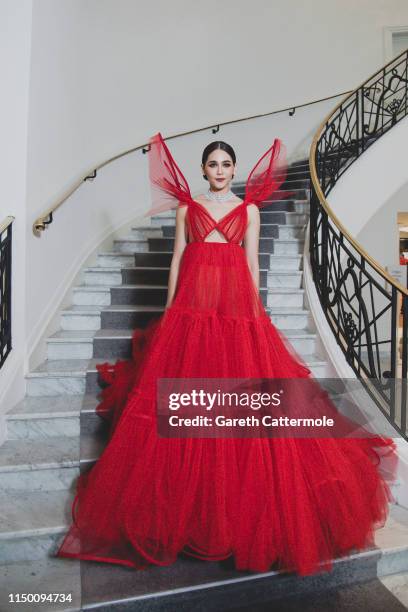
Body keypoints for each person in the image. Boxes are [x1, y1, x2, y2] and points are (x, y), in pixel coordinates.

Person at [56, 132, 397, 577]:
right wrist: (170, 307)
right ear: (203, 170)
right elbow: (179, 257)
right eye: (212, 164)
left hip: (235, 307)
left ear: (234, 170)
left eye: (225, 164)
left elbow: (252, 263)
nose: (219, 170)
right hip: (192, 307)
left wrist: (255, 313)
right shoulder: (187, 208)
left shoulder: (249, 209)